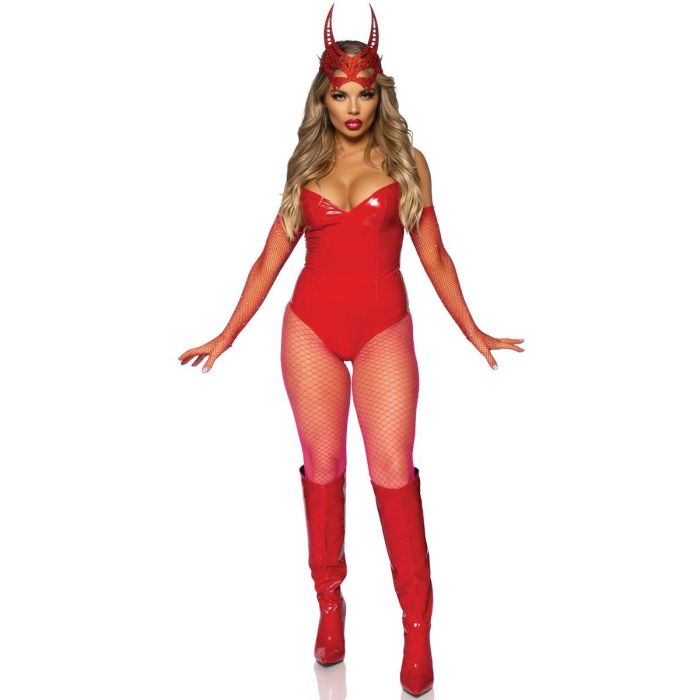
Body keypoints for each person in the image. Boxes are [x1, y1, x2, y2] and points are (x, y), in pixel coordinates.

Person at [178, 3, 525, 696]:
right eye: (341, 94)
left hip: (382, 331)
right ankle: (329, 610)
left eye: (365, 92)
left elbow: (435, 257)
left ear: (380, 92)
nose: (354, 107)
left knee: (393, 472)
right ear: (324, 97)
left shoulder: (407, 163)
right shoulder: (305, 167)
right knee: (324, 469)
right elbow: (268, 261)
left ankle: (417, 629)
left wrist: (473, 328)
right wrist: (227, 332)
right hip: (310, 328)